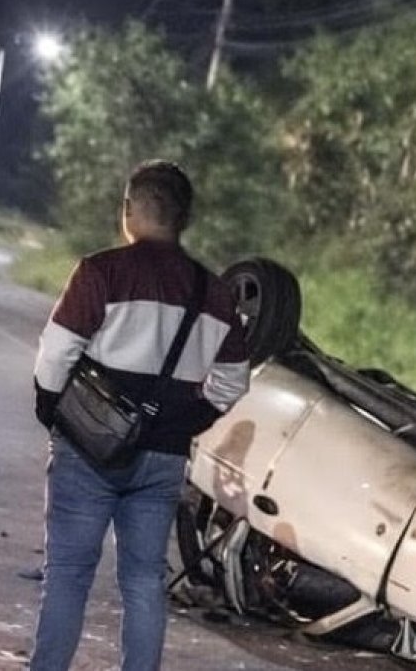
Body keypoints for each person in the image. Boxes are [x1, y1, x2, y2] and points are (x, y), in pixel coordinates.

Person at [29, 160, 251, 670]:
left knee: (68, 573)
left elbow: (56, 353)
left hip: (89, 448)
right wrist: (189, 420)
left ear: (128, 211)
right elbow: (233, 381)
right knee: (145, 580)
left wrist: (52, 408)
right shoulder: (214, 293)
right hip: (164, 456)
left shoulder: (102, 271)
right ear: (184, 218)